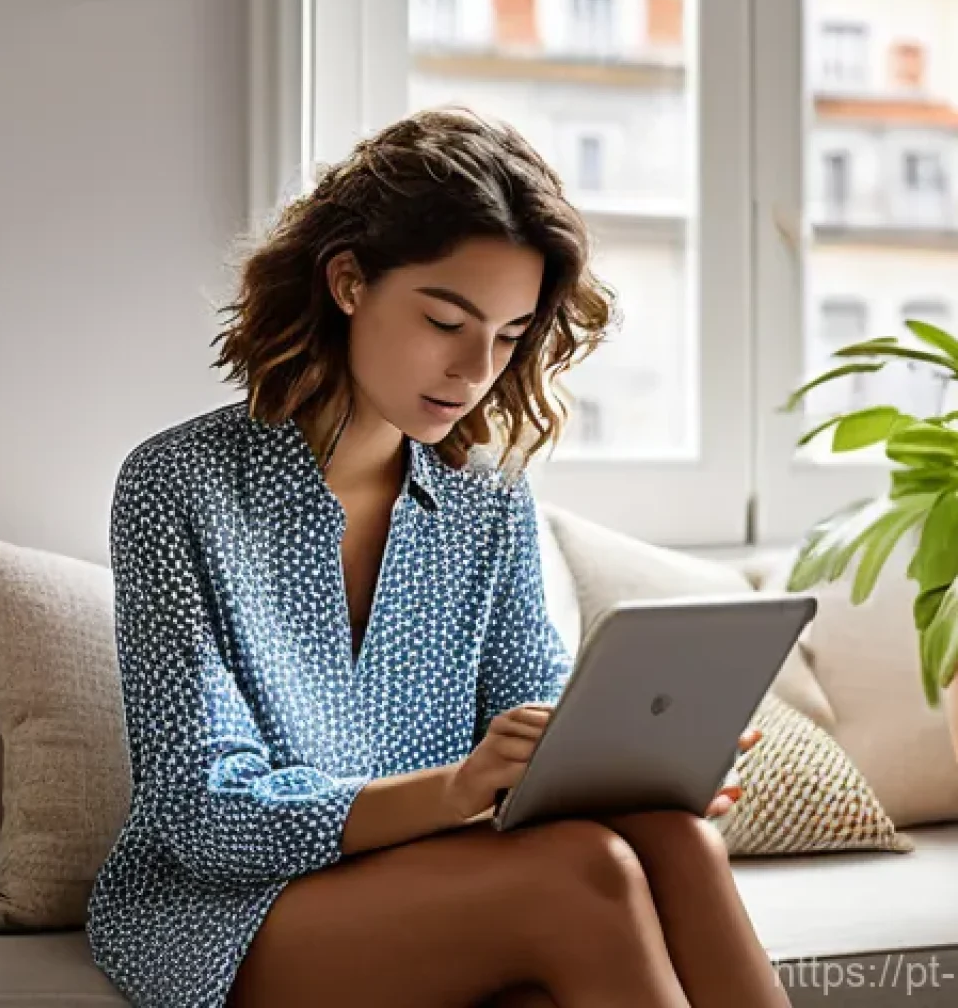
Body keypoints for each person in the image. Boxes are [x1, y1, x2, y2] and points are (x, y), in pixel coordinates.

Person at [85, 107, 788, 1008]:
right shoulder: (178, 486)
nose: (473, 371)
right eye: (445, 320)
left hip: (439, 878)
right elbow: (205, 813)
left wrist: (636, 762)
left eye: (506, 336)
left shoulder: (486, 499)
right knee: (581, 874)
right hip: (225, 909)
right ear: (348, 281)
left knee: (674, 837)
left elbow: (535, 720)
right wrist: (459, 788)